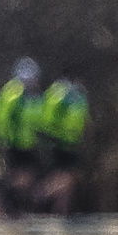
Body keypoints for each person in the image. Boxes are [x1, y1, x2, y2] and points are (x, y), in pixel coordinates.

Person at [0, 58, 41, 217]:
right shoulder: (15, 92)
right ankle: (1, 204)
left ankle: (10, 207)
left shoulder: (28, 94)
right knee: (20, 177)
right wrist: (4, 135)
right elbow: (0, 116)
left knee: (24, 177)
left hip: (27, 142)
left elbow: (34, 117)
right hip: (17, 142)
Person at [32, 74, 88, 218]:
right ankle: (39, 194)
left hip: (72, 141)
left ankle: (62, 211)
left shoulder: (79, 95)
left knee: (70, 180)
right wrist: (55, 133)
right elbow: (49, 116)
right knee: (65, 177)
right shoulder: (60, 92)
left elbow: (81, 118)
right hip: (60, 142)